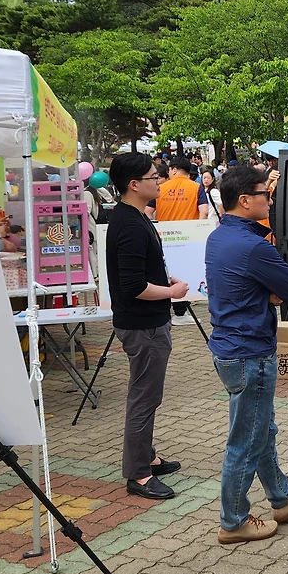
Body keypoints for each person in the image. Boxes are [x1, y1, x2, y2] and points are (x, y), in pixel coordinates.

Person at [205, 165, 288, 544]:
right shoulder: (254, 246)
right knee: (247, 440)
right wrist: (269, 291)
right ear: (244, 200)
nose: (269, 200)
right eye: (264, 194)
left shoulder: (219, 236)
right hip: (249, 351)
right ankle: (233, 521)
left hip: (231, 347)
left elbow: (251, 288)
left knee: (261, 430)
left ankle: (282, 497)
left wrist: (263, 292)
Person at [105, 152, 188, 501]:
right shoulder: (129, 224)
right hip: (143, 325)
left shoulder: (135, 217)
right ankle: (138, 474)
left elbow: (140, 273)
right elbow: (133, 286)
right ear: (134, 184)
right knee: (143, 398)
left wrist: (164, 281)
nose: (160, 181)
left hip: (148, 321)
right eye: (154, 177)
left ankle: (147, 457)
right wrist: (171, 292)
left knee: (148, 395)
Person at [156, 156, 209, 221]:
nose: (168, 173)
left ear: (174, 170)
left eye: (169, 170)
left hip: (163, 227)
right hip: (190, 227)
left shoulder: (160, 188)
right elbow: (204, 212)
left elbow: (147, 212)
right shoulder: (197, 188)